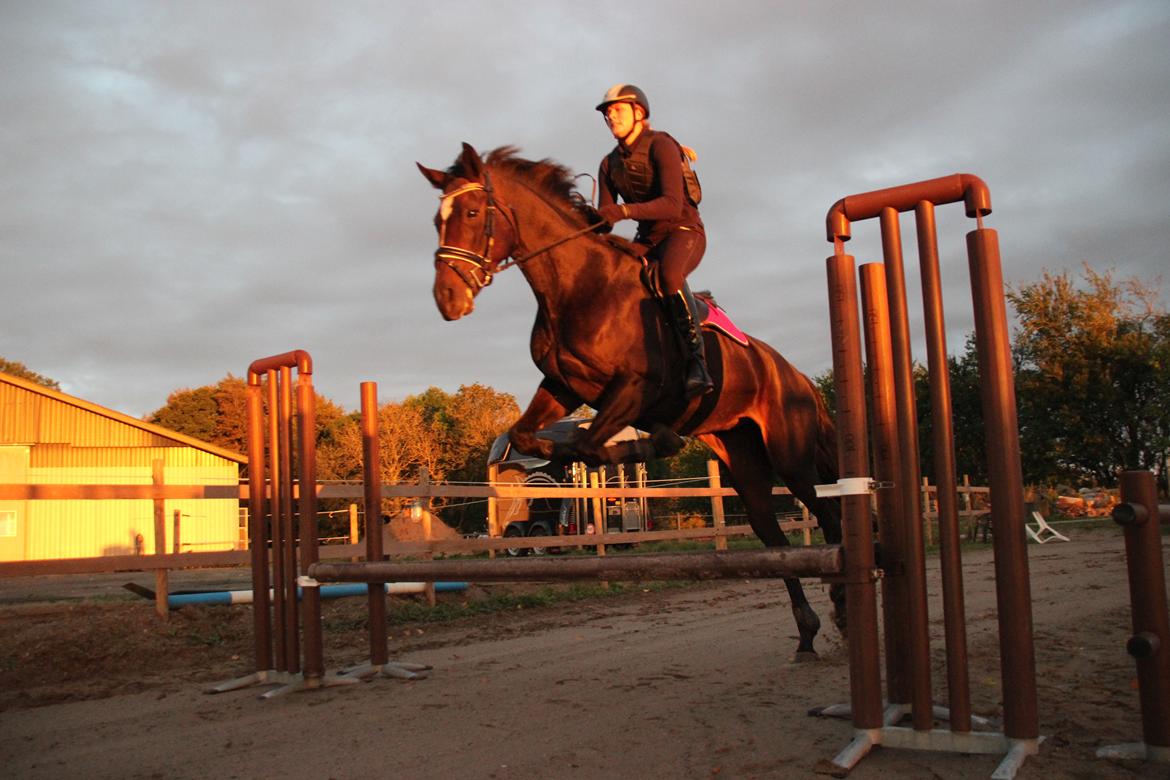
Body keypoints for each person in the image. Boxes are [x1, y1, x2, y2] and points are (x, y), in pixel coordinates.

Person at [594, 83, 714, 398]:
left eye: (616, 110)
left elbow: (672, 204)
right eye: (607, 113)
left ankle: (697, 362)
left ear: (638, 113)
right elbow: (604, 221)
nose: (610, 116)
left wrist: (622, 210)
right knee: (612, 277)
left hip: (683, 230)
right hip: (647, 239)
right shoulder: (608, 165)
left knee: (669, 276)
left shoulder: (661, 145)